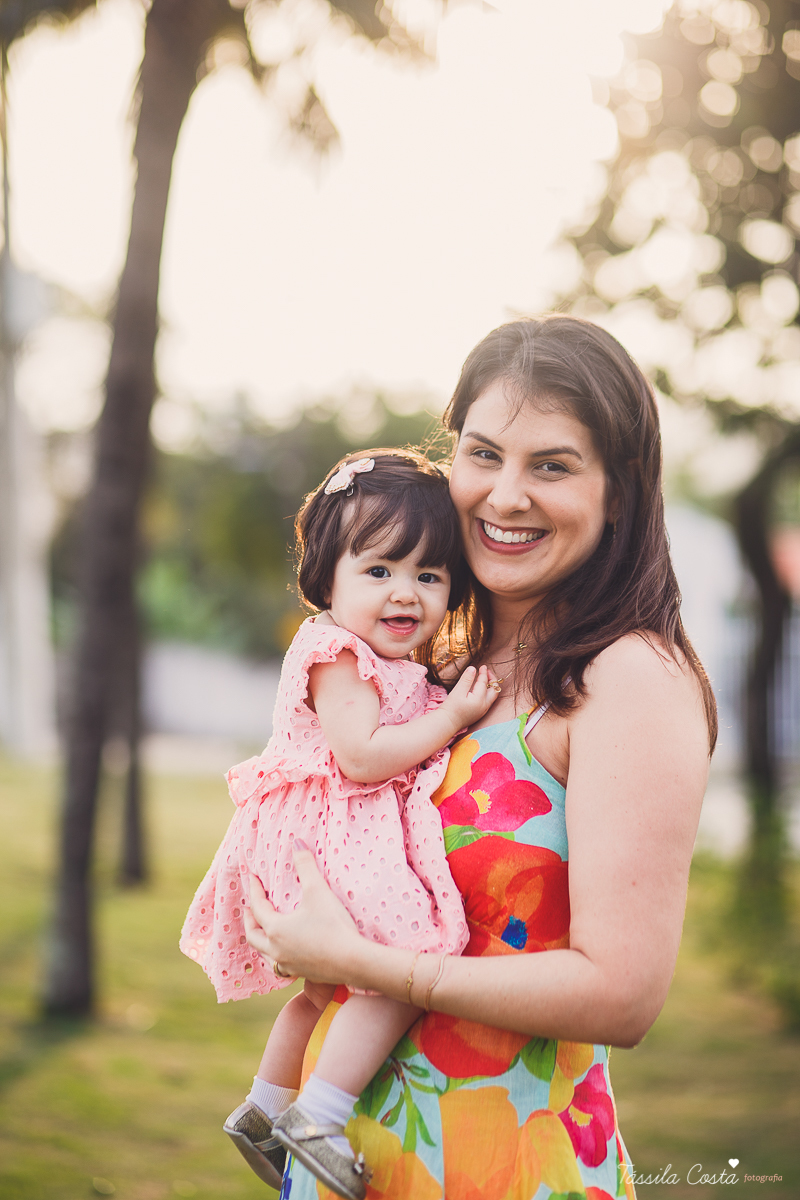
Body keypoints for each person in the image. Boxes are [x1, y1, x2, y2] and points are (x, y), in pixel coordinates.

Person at [243, 315, 717, 1200]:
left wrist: (381, 968)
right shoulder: (437, 671)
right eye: (484, 454)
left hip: (505, 1161)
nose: (505, 497)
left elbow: (623, 995)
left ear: (619, 491)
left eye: (553, 465)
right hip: (351, 1155)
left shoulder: (629, 680)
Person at [180, 450, 500, 1200]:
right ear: (327, 578)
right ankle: (317, 1115)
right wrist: (451, 717)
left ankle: (262, 1107)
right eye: (380, 570)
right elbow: (359, 758)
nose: (406, 594)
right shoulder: (335, 651)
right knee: (405, 965)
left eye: (429, 575)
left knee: (323, 997)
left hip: (316, 835)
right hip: (322, 835)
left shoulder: (384, 659)